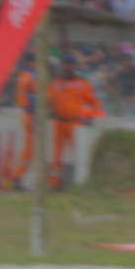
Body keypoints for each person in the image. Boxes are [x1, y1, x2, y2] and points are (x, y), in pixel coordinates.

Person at [47, 57, 103, 189]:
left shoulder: (82, 84)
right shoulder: (55, 83)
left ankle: (78, 183)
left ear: (74, 66)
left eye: (70, 64)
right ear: (62, 66)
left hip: (75, 123)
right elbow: (48, 100)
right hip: (59, 122)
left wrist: (88, 117)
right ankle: (55, 183)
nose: (68, 67)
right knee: (57, 155)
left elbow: (96, 102)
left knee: (77, 153)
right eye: (65, 64)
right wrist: (50, 110)